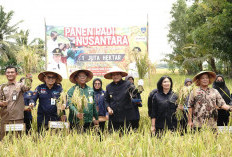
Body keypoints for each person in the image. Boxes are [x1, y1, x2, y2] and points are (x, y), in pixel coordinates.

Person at [104, 67, 140, 132]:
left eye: (117, 74)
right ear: (111, 76)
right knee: (113, 136)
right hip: (113, 116)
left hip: (126, 116)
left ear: (121, 75)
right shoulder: (109, 87)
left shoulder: (128, 84)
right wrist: (108, 108)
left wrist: (139, 88)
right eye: (113, 75)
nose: (115, 76)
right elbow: (106, 100)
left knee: (126, 136)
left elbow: (135, 93)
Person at [0, 66, 31, 140]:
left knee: (17, 140)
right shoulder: (2, 87)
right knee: (4, 140)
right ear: (5, 74)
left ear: (16, 74)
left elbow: (27, 87)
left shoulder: (20, 86)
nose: (10, 74)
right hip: (5, 118)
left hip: (18, 119)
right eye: (8, 72)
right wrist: (1, 103)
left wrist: (28, 79)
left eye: (12, 72)